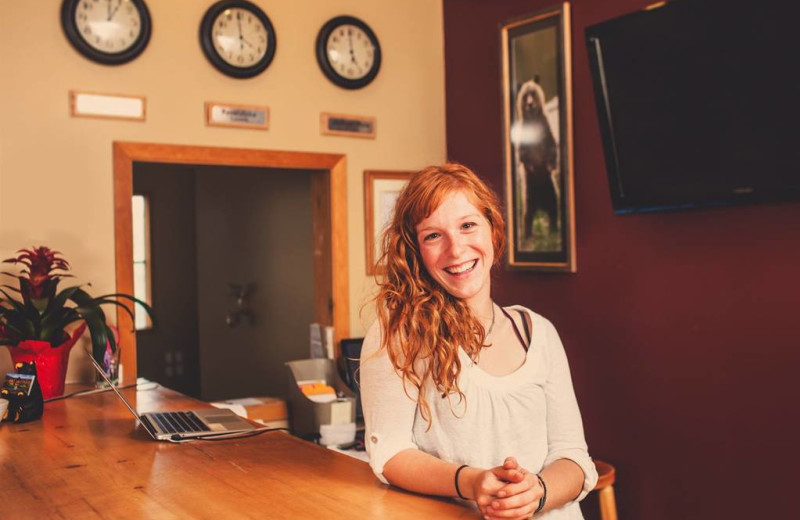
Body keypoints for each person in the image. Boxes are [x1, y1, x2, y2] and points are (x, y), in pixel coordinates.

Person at [360, 163, 597, 519]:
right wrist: (472, 482)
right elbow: (390, 454)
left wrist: (538, 492)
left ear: (493, 230)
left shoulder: (538, 331)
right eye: (433, 236)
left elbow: (573, 456)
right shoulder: (399, 334)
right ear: (415, 251)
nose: (456, 250)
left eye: (468, 225)